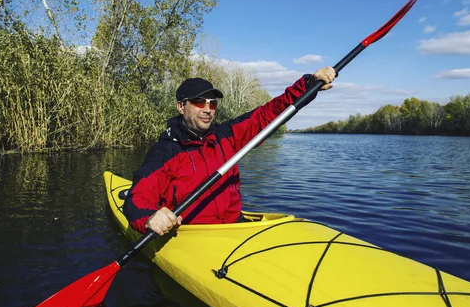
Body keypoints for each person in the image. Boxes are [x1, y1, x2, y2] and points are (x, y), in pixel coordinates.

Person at [123, 67, 336, 236]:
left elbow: (268, 114)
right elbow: (138, 198)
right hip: (192, 236)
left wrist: (308, 85)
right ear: (180, 106)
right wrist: (150, 218)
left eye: (212, 104)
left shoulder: (228, 136)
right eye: (199, 102)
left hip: (235, 229)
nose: (207, 109)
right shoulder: (164, 152)